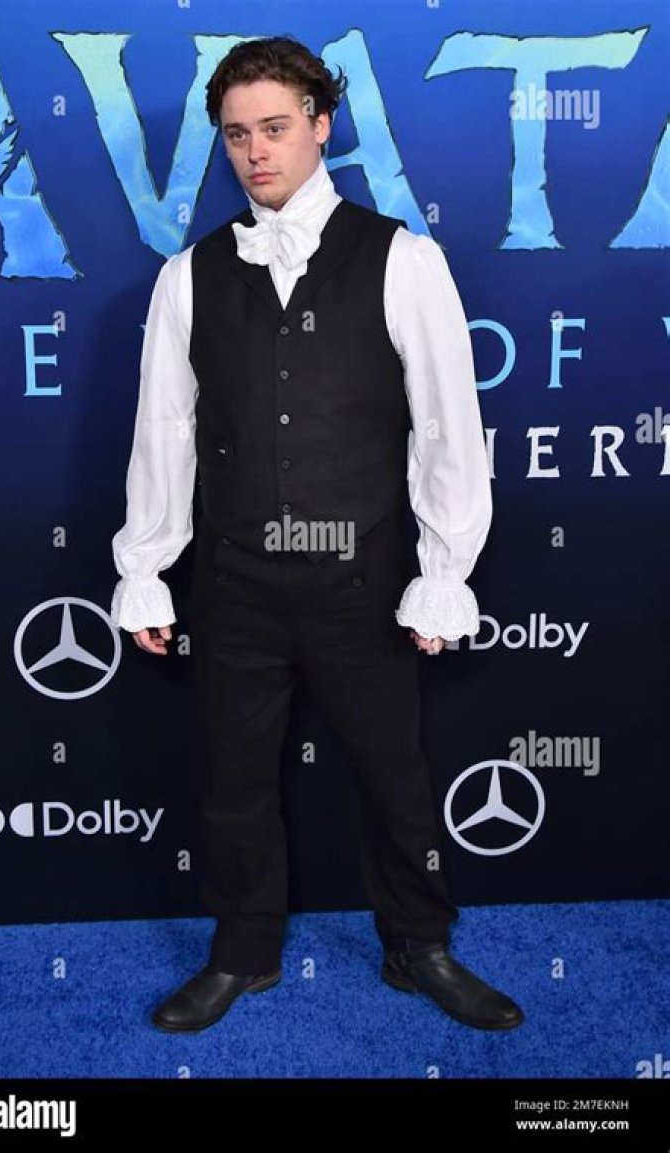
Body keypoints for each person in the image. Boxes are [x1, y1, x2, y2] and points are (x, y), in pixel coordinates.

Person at [110, 35, 524, 1034]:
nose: (256, 151)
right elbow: (163, 433)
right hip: (235, 584)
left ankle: (419, 945)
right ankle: (241, 952)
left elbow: (447, 426)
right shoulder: (189, 277)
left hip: (362, 583)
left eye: (275, 127)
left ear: (321, 125)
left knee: (394, 777)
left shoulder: (404, 260)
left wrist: (444, 572)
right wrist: (146, 566)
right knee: (234, 779)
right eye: (236, 135)